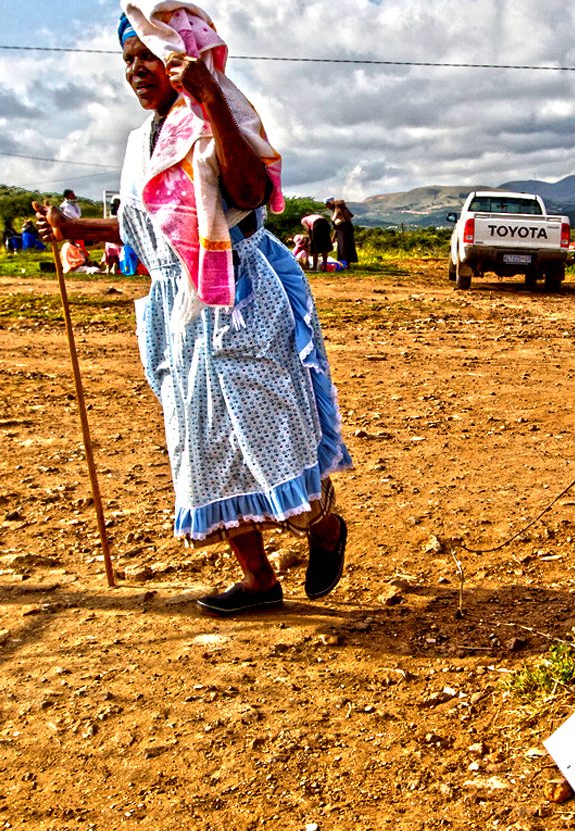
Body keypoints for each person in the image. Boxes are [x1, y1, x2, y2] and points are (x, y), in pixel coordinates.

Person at [36, 3, 352, 617]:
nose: (136, 70)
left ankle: (325, 528)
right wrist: (78, 228)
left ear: (182, 55)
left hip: (242, 300)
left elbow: (248, 193)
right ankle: (260, 582)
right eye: (127, 60)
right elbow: (146, 227)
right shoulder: (139, 142)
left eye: (147, 56)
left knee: (274, 440)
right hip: (179, 311)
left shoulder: (219, 115)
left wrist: (208, 99)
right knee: (203, 449)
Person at [327, 198, 357, 267]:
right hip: (347, 229)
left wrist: (333, 236)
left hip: (342, 230)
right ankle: (347, 264)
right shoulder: (345, 209)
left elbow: (336, 222)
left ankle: (344, 264)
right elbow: (351, 216)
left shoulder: (338, 210)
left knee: (343, 246)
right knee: (348, 246)